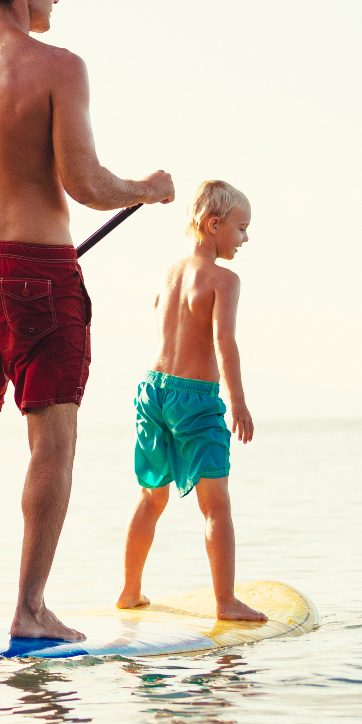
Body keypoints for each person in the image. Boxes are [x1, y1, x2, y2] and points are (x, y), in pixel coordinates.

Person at [0, 0, 174, 641]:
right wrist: (147, 189)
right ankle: (29, 610)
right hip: (37, 269)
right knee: (52, 440)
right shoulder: (60, 65)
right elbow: (85, 183)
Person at [116, 181, 266, 621]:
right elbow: (224, 341)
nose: (245, 238)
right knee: (216, 503)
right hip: (195, 399)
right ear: (213, 224)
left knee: (150, 496)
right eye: (241, 228)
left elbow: (163, 314)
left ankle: (130, 590)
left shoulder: (170, 273)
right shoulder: (225, 279)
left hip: (153, 390)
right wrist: (236, 402)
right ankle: (226, 602)